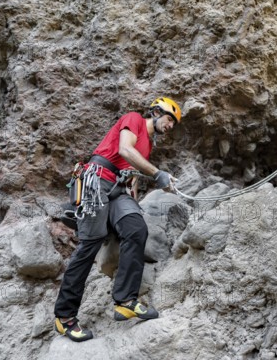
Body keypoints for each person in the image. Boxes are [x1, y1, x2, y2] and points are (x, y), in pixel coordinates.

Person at [53, 97, 182, 342]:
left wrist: (136, 200)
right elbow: (124, 150)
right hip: (97, 180)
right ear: (155, 112)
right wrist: (157, 174)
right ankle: (65, 318)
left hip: (118, 190)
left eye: (173, 123)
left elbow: (132, 176)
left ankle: (125, 300)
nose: (170, 125)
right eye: (169, 119)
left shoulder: (147, 147)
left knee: (136, 229)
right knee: (89, 245)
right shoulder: (133, 119)